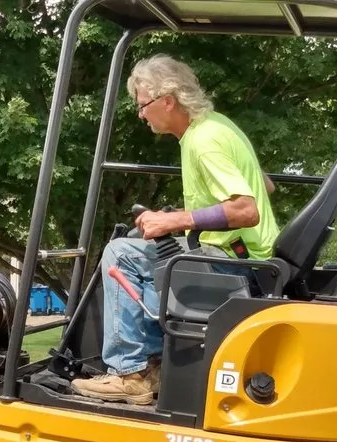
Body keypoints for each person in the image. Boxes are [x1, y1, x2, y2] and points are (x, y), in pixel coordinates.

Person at [72, 54, 278, 405]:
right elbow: (267, 186)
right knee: (150, 254)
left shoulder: (203, 141)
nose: (140, 114)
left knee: (121, 253)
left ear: (167, 101)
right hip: (248, 255)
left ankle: (131, 373)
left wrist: (174, 220)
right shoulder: (219, 126)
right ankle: (153, 364)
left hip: (235, 261)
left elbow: (247, 209)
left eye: (143, 105)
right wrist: (181, 216)